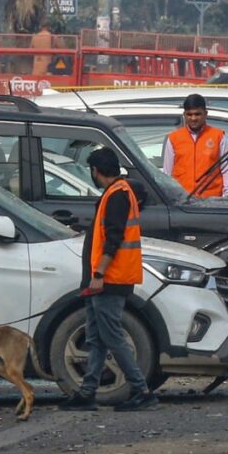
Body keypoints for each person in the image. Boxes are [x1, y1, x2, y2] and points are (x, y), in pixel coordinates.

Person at [58, 148, 159, 413]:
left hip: (109, 279)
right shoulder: (116, 194)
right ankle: (88, 391)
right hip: (102, 279)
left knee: (111, 336)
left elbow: (113, 239)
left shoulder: (117, 196)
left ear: (96, 171)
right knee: (96, 337)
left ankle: (141, 390)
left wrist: (99, 275)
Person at [163, 94, 228, 198]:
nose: (193, 118)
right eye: (189, 114)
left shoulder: (218, 136)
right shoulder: (174, 138)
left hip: (212, 200)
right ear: (184, 115)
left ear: (205, 114)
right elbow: (167, 173)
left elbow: (227, 169)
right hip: (183, 201)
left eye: (197, 114)